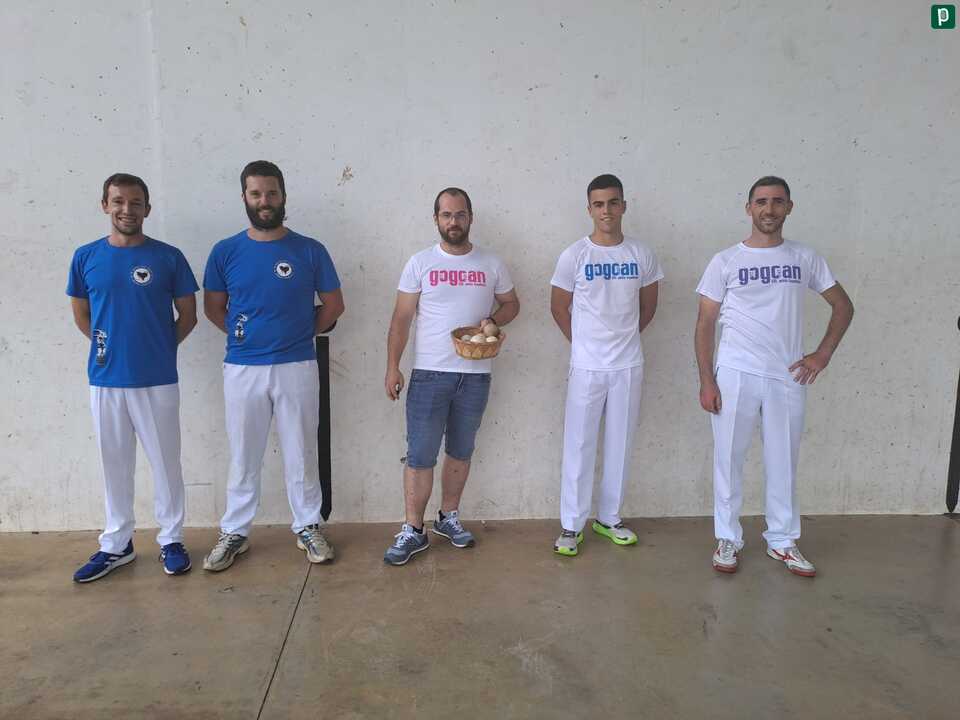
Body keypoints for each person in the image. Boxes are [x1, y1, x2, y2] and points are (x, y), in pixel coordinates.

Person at [695, 175, 854, 577]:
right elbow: (704, 323)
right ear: (748, 208)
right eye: (761, 201)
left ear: (789, 207)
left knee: (783, 461)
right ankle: (727, 537)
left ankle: (782, 541)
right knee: (728, 459)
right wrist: (707, 380)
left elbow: (843, 305)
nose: (769, 209)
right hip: (735, 373)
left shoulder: (805, 257)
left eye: (777, 201)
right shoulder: (725, 261)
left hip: (787, 376)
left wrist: (822, 354)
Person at [202, 161, 345, 571]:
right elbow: (214, 308)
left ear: (283, 195)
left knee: (301, 450)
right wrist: (247, 337)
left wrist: (297, 333)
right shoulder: (225, 251)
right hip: (242, 368)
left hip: (297, 365)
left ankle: (307, 525)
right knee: (243, 453)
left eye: (271, 193)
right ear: (244, 198)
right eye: (256, 194)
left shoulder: (310, 250)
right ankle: (235, 531)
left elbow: (334, 305)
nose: (264, 201)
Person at [68, 173, 199, 582]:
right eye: (119, 201)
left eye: (136, 202)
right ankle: (117, 544)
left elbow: (189, 315)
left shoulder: (169, 257)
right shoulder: (85, 257)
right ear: (105, 205)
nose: (127, 209)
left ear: (147, 208)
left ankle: (171, 539)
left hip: (157, 380)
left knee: (166, 463)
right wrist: (111, 348)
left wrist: (157, 349)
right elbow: (82, 314)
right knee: (114, 464)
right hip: (105, 380)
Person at [382, 187, 519, 565]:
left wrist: (492, 321)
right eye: (446, 215)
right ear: (436, 219)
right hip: (429, 374)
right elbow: (401, 319)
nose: (453, 221)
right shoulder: (420, 262)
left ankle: (448, 517)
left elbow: (512, 304)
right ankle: (413, 529)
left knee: (461, 450)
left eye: (460, 214)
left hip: (475, 374)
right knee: (420, 454)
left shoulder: (491, 263)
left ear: (470, 217)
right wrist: (393, 366)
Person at [550, 174, 663, 557]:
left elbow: (649, 306)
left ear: (624, 206)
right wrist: (585, 344)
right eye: (599, 204)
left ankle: (609, 518)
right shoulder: (574, 255)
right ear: (589, 210)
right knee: (579, 444)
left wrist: (623, 340)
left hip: (628, 365)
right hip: (586, 367)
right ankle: (571, 525)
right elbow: (558, 307)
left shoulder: (641, 253)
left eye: (613, 202)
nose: (607, 211)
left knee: (621, 442)